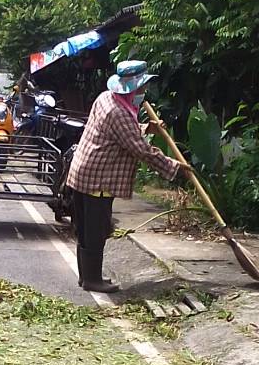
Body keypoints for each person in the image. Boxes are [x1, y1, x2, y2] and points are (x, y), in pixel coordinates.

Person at [64, 60, 188, 292]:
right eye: (141, 88)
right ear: (132, 88)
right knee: (96, 230)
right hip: (98, 178)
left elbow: (118, 132)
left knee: (87, 228)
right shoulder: (117, 111)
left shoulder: (106, 98)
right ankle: (91, 279)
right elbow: (140, 149)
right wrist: (175, 167)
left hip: (84, 172)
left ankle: (87, 276)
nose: (144, 92)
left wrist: (145, 128)